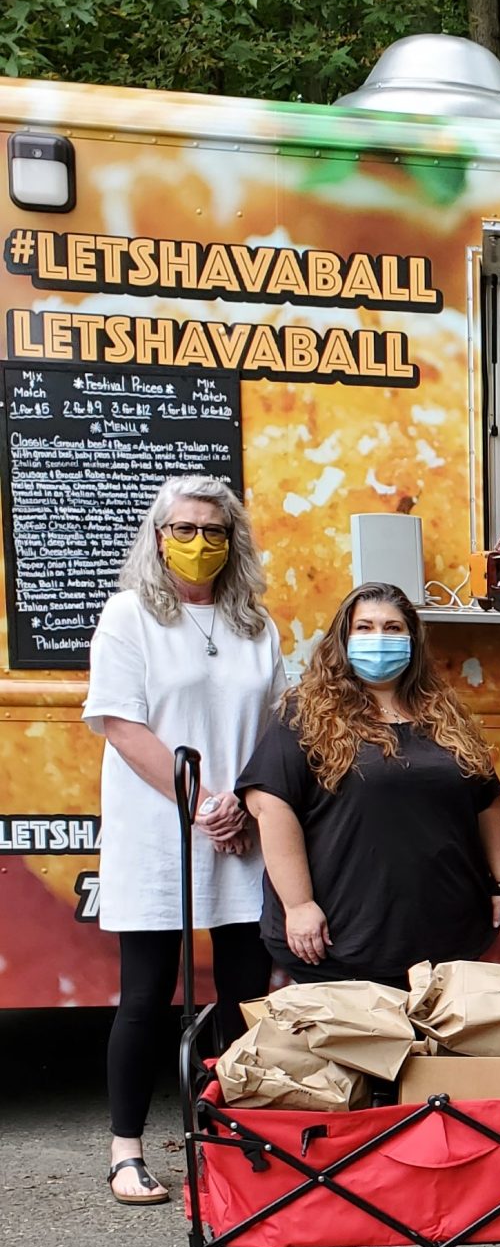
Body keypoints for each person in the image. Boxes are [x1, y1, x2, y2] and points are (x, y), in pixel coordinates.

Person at [85, 477, 283, 1207]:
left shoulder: (256, 625)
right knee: (146, 993)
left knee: (244, 992)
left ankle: (232, 1130)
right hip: (160, 832)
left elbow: (274, 728)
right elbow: (122, 725)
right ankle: (126, 1150)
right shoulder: (129, 616)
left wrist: (244, 806)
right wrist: (199, 803)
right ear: (157, 534)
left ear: (235, 541)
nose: (198, 543)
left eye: (214, 530)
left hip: (239, 832)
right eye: (183, 529)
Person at [239, 582, 500, 987]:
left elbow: (487, 799)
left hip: (445, 939)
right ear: (343, 639)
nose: (379, 639)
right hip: (341, 940)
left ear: (412, 639)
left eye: (392, 628)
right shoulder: (305, 715)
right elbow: (269, 805)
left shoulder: (446, 716)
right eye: (365, 628)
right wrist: (298, 905)